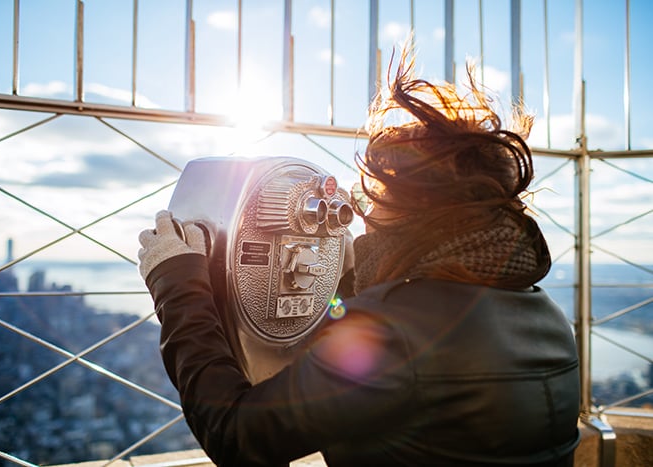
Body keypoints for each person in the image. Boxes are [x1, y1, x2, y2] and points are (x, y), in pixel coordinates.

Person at [138, 47, 581, 466]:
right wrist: (340, 287)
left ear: (414, 213)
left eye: (378, 199)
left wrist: (177, 283)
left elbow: (238, 435)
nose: (366, 215)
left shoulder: (395, 331)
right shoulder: (547, 316)